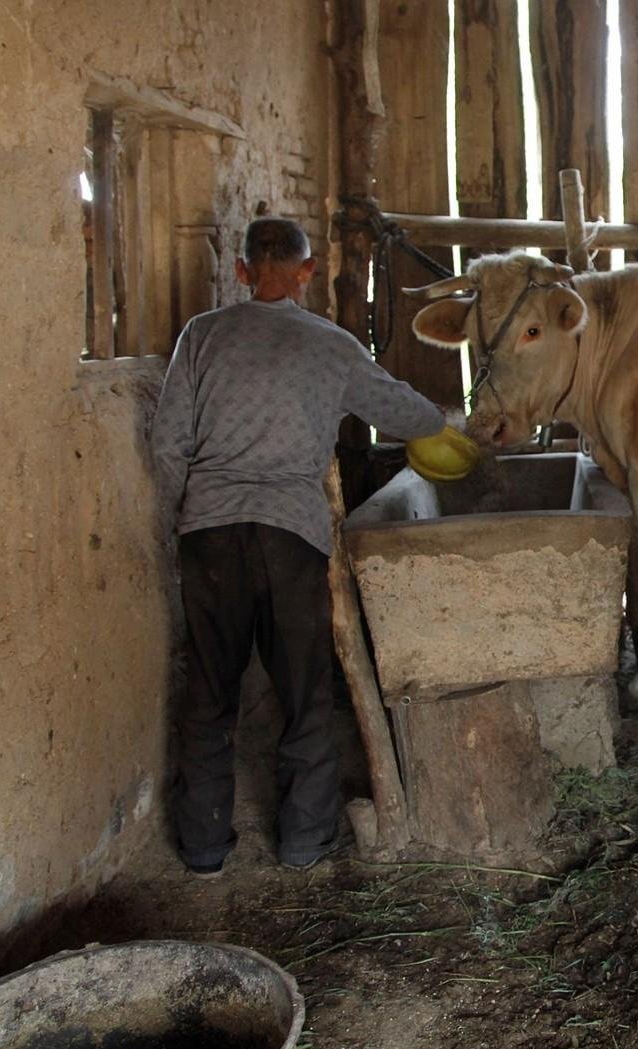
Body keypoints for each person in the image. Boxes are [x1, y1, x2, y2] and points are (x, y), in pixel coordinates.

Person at [150, 216, 446, 875]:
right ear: (309, 272)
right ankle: (303, 842)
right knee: (304, 690)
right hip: (291, 533)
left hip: (210, 532)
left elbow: (168, 445)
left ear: (243, 271)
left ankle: (202, 848)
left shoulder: (200, 337)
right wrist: (445, 422)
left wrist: (182, 519)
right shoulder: (331, 345)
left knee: (208, 691)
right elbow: (412, 417)